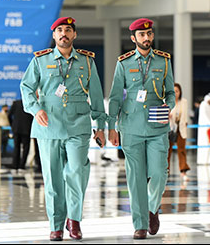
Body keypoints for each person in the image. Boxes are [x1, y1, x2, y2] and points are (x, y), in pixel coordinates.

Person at [20, 16, 107, 241]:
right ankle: (56, 224)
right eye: (59, 30)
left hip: (78, 124)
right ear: (54, 35)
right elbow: (26, 86)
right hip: (48, 126)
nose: (63, 34)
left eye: (68, 30)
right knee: (53, 178)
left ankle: (74, 219)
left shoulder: (87, 62)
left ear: (74, 35)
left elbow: (96, 96)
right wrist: (35, 108)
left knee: (77, 171)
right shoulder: (40, 60)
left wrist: (101, 126)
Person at [107, 18, 175, 240]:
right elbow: (116, 97)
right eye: (142, 35)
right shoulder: (124, 63)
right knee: (135, 178)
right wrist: (112, 127)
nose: (146, 38)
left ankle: (151, 208)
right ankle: (139, 224)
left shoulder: (164, 62)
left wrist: (170, 105)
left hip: (157, 126)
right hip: (131, 127)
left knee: (158, 174)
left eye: (149, 34)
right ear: (133, 38)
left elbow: (171, 92)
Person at [168, 83, 190, 182]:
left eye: (177, 91)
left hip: (180, 128)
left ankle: (183, 171)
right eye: (174, 91)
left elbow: (185, 115)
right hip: (170, 128)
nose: (176, 93)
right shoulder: (168, 102)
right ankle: (166, 171)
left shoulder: (184, 102)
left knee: (181, 150)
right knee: (167, 151)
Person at [9, 99, 33, 172]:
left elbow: (9, 115)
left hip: (16, 129)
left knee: (16, 147)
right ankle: (22, 166)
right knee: (26, 148)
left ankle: (15, 165)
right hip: (27, 129)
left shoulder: (16, 103)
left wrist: (12, 125)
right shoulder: (30, 102)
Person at [197, 93, 210, 165]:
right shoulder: (203, 105)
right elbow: (205, 116)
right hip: (204, 128)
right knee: (204, 143)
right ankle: (204, 160)